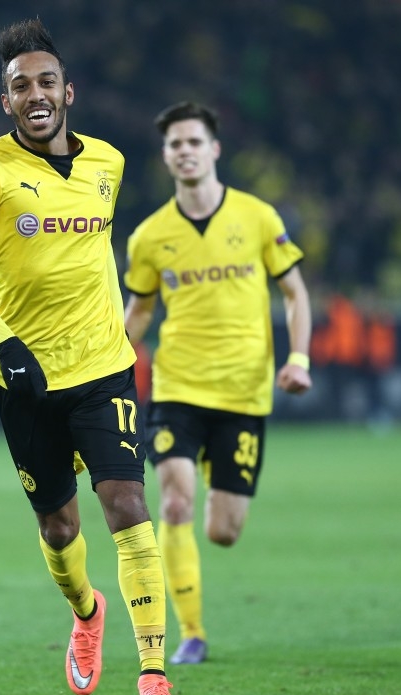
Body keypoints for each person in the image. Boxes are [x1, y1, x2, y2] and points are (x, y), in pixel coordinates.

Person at [0, 18, 183, 695]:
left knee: (127, 506)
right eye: (22, 86)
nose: (36, 94)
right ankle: (85, 610)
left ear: (68, 91)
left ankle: (154, 675)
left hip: (105, 369)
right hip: (24, 379)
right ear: (6, 101)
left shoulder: (108, 163)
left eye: (47, 81)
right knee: (57, 526)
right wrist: (1, 343)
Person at [124, 101, 313, 665]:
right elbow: (140, 310)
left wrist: (299, 357)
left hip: (242, 392)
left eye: (193, 142)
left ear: (214, 150)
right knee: (174, 500)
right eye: (174, 144)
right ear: (165, 157)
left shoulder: (258, 217)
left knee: (224, 531)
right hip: (177, 387)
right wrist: (107, 361)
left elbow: (295, 293)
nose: (184, 151)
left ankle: (214, 476)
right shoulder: (150, 237)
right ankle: (191, 633)